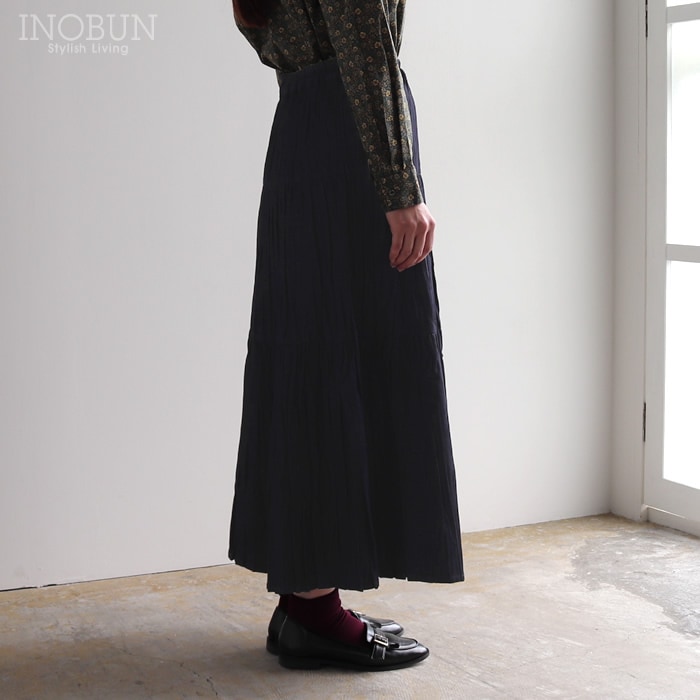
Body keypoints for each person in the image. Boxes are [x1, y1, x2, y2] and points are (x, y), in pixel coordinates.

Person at [228, 0, 464, 671]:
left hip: (304, 127)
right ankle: (313, 612)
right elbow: (365, 50)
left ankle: (305, 598)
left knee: (312, 352)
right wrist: (400, 184)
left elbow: (266, 33)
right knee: (338, 359)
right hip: (352, 138)